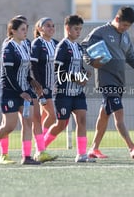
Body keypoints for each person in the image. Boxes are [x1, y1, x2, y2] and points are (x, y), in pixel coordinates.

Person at [81, 6, 134, 159]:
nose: (126, 28)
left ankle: (93, 149)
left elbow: (131, 58)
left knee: (104, 114)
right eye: (124, 25)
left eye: (128, 26)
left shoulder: (126, 36)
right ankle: (132, 147)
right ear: (117, 19)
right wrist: (92, 62)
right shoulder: (100, 32)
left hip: (119, 80)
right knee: (118, 114)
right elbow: (84, 47)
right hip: (106, 80)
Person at [0, 17, 40, 165]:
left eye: (26, 29)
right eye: (22, 29)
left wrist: (31, 80)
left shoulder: (26, 45)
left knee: (28, 122)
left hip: (25, 90)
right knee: (9, 125)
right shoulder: (8, 47)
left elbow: (25, 70)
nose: (25, 32)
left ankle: (26, 157)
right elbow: (8, 74)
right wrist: (21, 91)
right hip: (9, 90)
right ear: (13, 31)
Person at [43, 15, 95, 163]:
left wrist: (85, 75)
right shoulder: (63, 46)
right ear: (67, 28)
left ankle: (82, 154)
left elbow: (80, 68)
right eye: (76, 29)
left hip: (77, 92)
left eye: (80, 29)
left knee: (82, 120)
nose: (79, 32)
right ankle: (41, 148)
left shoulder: (78, 47)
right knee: (61, 124)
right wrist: (75, 78)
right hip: (64, 93)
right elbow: (57, 70)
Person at [30, 17, 59, 162]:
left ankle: (39, 150)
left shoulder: (55, 43)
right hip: (43, 87)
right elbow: (33, 67)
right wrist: (39, 87)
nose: (51, 28)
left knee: (43, 118)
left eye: (53, 26)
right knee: (52, 116)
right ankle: (40, 148)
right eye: (47, 26)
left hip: (54, 87)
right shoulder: (37, 44)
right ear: (40, 29)